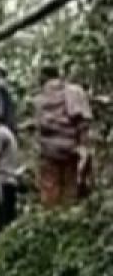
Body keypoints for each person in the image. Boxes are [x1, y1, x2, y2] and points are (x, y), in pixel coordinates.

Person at [34, 64, 93, 207]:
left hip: (48, 149)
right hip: (70, 147)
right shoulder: (73, 91)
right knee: (70, 188)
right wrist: (84, 146)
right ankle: (68, 217)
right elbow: (82, 121)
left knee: (50, 189)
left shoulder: (39, 98)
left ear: (44, 77)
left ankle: (52, 219)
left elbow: (40, 125)